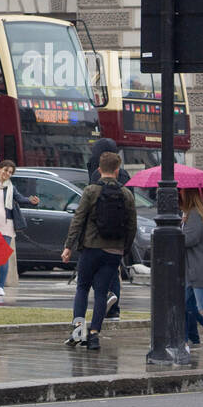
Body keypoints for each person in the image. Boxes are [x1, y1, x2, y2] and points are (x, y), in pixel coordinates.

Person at [61, 151, 137, 350]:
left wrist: (69, 246)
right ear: (118, 170)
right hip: (114, 251)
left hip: (91, 248)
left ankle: (78, 330)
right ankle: (94, 335)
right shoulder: (126, 194)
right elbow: (132, 226)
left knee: (83, 288)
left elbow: (78, 219)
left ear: (99, 169)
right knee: (102, 293)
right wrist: (124, 250)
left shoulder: (90, 191)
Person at [86, 137, 131, 316]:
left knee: (99, 273)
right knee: (114, 270)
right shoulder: (124, 174)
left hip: (99, 230)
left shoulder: (97, 174)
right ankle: (114, 308)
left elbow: (89, 206)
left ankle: (107, 305)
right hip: (119, 230)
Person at [0, 160, 39, 296]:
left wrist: (31, 201)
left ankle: (1, 286)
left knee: (3, 257)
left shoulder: (11, 187)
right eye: (5, 170)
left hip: (6, 225)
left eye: (10, 172)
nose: (7, 174)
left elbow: (20, 198)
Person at [181, 186, 203, 358]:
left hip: (199, 269)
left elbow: (189, 239)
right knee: (188, 307)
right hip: (193, 270)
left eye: (181, 191)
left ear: (188, 194)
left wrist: (177, 232)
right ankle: (183, 342)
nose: (179, 194)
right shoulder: (194, 214)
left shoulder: (194, 214)